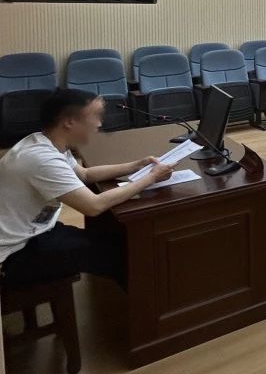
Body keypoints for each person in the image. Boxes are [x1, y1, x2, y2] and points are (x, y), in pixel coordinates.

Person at [0, 88, 174, 288]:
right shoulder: (42, 159)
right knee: (128, 253)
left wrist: (136, 165)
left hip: (35, 231)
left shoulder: (46, 142)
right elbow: (93, 206)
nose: (99, 123)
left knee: (119, 240)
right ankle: (152, 302)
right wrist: (151, 177)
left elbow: (84, 174)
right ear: (69, 122)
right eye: (95, 116)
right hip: (14, 253)